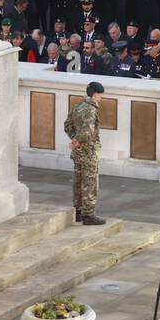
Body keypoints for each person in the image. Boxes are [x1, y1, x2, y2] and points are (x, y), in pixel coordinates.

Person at [65, 81, 106, 225]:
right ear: (95, 95)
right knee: (90, 182)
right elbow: (88, 132)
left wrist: (74, 139)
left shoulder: (78, 106)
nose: (101, 98)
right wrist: (78, 140)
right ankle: (88, 214)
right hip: (88, 151)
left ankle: (78, 211)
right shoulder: (90, 109)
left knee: (78, 180)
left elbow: (67, 125)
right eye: (100, 95)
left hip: (78, 152)